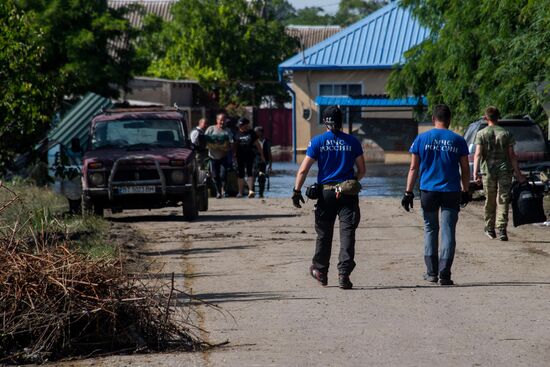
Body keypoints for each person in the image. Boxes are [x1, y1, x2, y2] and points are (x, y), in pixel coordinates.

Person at [292, 106, 365, 289]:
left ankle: (321, 271)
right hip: (347, 194)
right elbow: (362, 170)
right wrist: (349, 183)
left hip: (326, 195)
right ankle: (344, 274)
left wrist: (296, 191)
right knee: (347, 234)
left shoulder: (317, 141)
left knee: (324, 234)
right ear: (341, 122)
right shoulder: (353, 142)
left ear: (325, 121)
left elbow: (303, 169)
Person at [402, 104, 470, 286]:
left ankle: (431, 273)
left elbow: (413, 168)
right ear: (449, 120)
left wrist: (408, 192)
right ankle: (445, 274)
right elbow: (465, 169)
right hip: (451, 191)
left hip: (428, 191)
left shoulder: (421, 139)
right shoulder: (458, 140)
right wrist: (466, 190)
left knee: (430, 229)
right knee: (448, 230)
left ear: (433, 119)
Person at [473, 106, 526, 241]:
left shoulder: (481, 134)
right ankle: (502, 229)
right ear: (498, 117)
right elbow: (512, 155)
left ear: (486, 118)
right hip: (504, 171)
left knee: (489, 199)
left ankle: (490, 228)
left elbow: (478, 154)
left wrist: (475, 172)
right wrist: (518, 174)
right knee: (503, 198)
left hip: (488, 171)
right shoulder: (506, 134)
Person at [233, 117, 265, 198]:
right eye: (240, 125)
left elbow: (258, 144)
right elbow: (234, 146)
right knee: (240, 174)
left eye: (242, 125)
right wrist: (234, 156)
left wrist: (262, 155)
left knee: (250, 172)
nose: (241, 127)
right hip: (239, 156)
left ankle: (251, 190)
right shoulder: (236, 133)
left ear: (246, 125)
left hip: (250, 155)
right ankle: (240, 192)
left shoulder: (251, 133)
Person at [205, 113, 233, 199]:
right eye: (221, 120)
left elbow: (231, 142)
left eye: (224, 120)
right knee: (215, 176)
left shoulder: (227, 130)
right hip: (212, 157)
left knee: (223, 174)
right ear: (217, 120)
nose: (222, 122)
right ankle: (218, 192)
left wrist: (228, 145)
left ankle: (224, 190)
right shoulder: (211, 129)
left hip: (223, 156)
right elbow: (205, 139)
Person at [254, 126, 273, 198]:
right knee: (253, 176)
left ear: (261, 132)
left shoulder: (267, 141)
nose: (255, 133)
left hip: (264, 163)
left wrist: (270, 166)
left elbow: (269, 153)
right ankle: (252, 191)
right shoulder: (253, 141)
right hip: (255, 162)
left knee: (262, 177)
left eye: (256, 131)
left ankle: (261, 193)